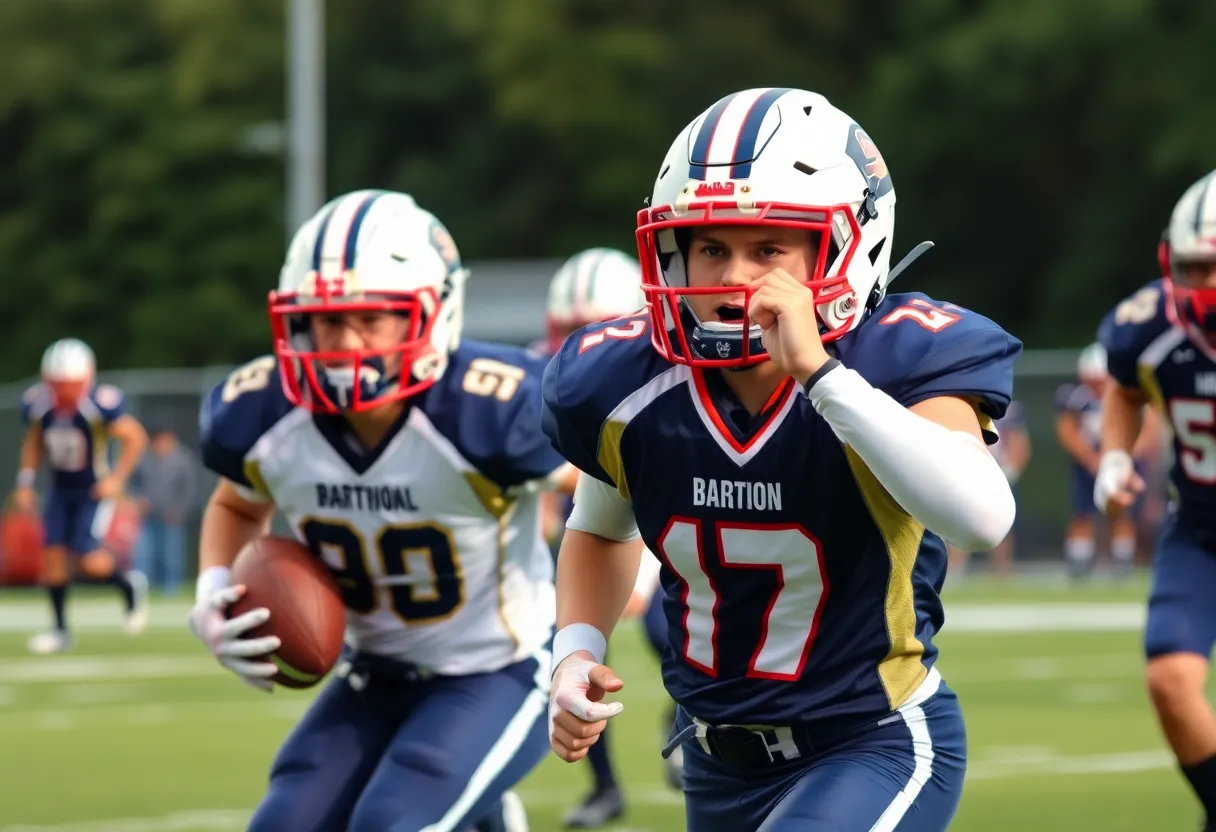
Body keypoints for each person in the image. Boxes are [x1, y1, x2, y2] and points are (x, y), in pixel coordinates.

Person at [541, 87, 1021, 831]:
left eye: (768, 249)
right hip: (713, 762)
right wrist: (575, 651)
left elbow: (982, 518)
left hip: (872, 740)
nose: (733, 278)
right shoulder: (627, 383)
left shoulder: (900, 358)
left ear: (847, 248)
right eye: (711, 248)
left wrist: (824, 378)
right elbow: (602, 529)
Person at [192, 189, 568, 832]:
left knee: (394, 823)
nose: (344, 342)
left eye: (372, 318)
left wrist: (634, 572)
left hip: (496, 669)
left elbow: (606, 481)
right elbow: (236, 502)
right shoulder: (266, 415)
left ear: (434, 313)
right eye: (326, 320)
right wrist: (214, 586)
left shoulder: (491, 410)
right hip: (372, 675)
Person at [1096, 168, 1216, 831]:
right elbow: (1125, 387)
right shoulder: (1150, 325)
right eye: (1194, 268)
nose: (1205, 287)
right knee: (1170, 680)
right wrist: (1115, 455)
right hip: (1201, 527)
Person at [538, 247, 673, 829]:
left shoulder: (656, 373)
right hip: (582, 531)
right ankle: (606, 786)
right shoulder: (544, 377)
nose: (583, 342)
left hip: (655, 524)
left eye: (595, 325)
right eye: (569, 329)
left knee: (669, 628)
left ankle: (690, 713)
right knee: (579, 658)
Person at [15, 338, 150, 654]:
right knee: (52, 558)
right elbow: (34, 442)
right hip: (60, 488)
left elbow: (134, 438)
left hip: (92, 489)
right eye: (58, 384)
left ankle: (128, 585)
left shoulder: (99, 405)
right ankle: (60, 631)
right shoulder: (38, 404)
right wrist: (25, 482)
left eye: (70, 384)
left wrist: (115, 479)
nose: (64, 391)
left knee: (87, 560)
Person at [946, 400, 1031, 579]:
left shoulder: (1010, 410)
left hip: (1000, 471)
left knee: (1001, 521)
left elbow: (1020, 444)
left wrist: (1010, 473)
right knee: (958, 517)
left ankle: (1001, 569)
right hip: (967, 471)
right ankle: (955, 567)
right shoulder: (961, 404)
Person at [132, 425, 198, 594]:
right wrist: (138, 500)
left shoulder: (183, 459)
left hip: (172, 516)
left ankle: (171, 589)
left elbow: (189, 489)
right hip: (148, 515)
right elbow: (133, 483)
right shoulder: (144, 458)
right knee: (144, 554)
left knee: (171, 555)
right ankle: (142, 588)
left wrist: (180, 510)